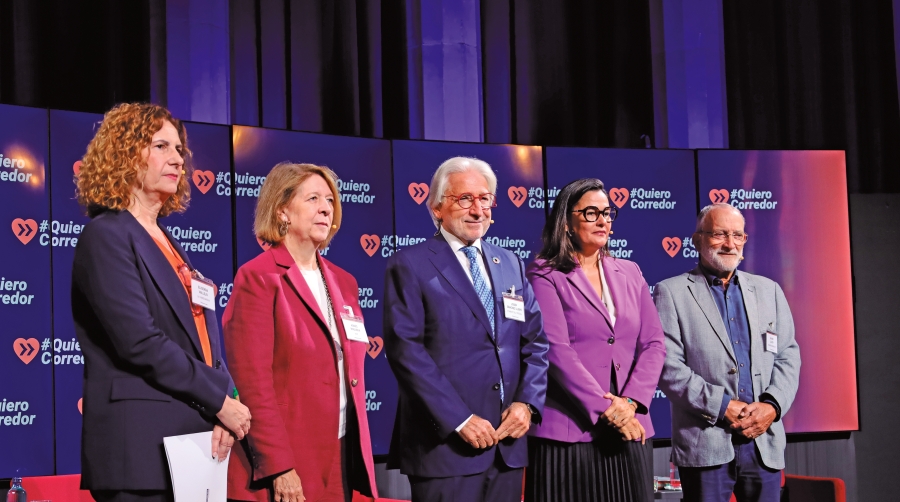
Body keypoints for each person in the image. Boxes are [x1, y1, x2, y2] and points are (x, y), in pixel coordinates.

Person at [72, 103, 251, 502]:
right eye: (161, 146)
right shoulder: (107, 235)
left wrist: (227, 401)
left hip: (191, 444)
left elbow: (202, 342)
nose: (177, 159)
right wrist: (219, 400)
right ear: (125, 153)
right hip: (139, 450)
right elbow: (140, 341)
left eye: (179, 149)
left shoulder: (171, 244)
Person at [383, 156, 549, 502]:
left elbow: (536, 343)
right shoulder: (410, 264)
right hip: (444, 448)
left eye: (484, 198)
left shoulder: (511, 264)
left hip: (506, 444)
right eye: (465, 199)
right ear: (437, 208)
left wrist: (527, 405)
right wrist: (459, 419)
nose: (477, 209)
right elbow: (406, 351)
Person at [224, 163, 377, 502]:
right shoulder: (259, 278)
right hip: (285, 458)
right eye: (312, 199)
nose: (326, 207)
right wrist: (279, 466)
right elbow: (254, 384)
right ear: (283, 211)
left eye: (329, 200)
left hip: (339, 455)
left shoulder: (345, 282)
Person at [523, 178, 666, 502]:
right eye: (591, 213)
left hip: (630, 429)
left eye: (607, 212)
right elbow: (557, 350)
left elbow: (655, 344)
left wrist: (629, 404)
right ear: (567, 221)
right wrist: (607, 408)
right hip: (569, 433)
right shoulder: (545, 273)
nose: (603, 220)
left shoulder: (630, 271)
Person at [654, 203, 801, 502]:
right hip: (705, 441)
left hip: (763, 440)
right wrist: (722, 406)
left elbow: (787, 355)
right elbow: (667, 366)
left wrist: (772, 406)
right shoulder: (671, 292)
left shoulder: (769, 290)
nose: (730, 243)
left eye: (737, 235)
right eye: (719, 234)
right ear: (697, 240)